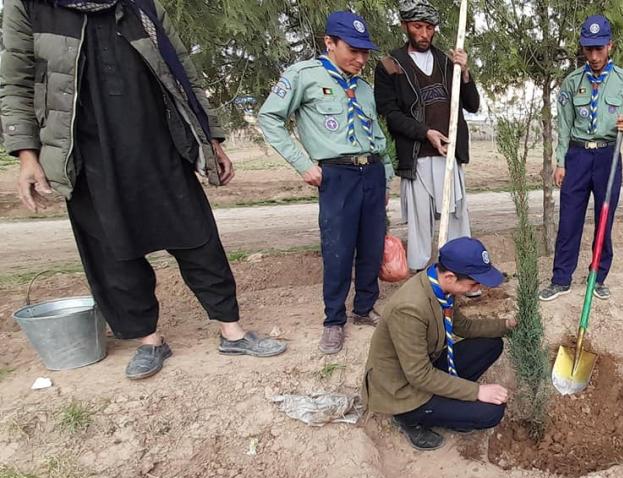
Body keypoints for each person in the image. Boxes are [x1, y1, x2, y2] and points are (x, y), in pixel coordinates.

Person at [1, 0, 286, 380]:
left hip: (159, 143)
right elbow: (15, 82)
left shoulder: (141, 4)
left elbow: (182, 70)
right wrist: (26, 155)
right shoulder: (30, 7)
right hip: (87, 153)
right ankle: (149, 341)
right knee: (114, 253)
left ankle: (231, 330)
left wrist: (211, 138)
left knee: (198, 239)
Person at [259, 11, 393, 355]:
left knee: (372, 244)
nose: (361, 59)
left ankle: (364, 308)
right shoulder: (303, 76)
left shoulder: (362, 87)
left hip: (372, 172)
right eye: (354, 50)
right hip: (337, 175)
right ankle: (334, 321)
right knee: (338, 249)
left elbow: (374, 132)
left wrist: (387, 173)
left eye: (366, 52)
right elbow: (269, 117)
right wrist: (303, 164)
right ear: (329, 43)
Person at [362, 237, 516, 451]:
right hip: (403, 389)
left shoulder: (440, 287)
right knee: (492, 412)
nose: (477, 287)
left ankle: (450, 405)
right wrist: (476, 391)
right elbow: (419, 375)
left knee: (491, 344)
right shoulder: (410, 309)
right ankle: (409, 419)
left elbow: (465, 327)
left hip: (425, 368)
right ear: (451, 276)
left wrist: (508, 325)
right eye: (473, 283)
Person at [538, 14, 623, 303]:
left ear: (611, 46)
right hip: (577, 156)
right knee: (569, 219)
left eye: (599, 48)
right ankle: (561, 279)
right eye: (588, 49)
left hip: (608, 156)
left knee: (604, 220)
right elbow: (564, 125)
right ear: (582, 49)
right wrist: (560, 162)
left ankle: (598, 276)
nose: (594, 56)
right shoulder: (572, 83)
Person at [376, 0, 479, 273]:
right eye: (417, 27)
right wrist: (425, 133)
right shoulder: (389, 65)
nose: (423, 34)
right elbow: (390, 114)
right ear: (405, 26)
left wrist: (465, 71)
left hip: (449, 155)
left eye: (429, 27)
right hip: (417, 156)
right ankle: (422, 280)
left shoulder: (448, 62)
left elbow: (472, 105)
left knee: (456, 219)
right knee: (421, 224)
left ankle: (460, 274)